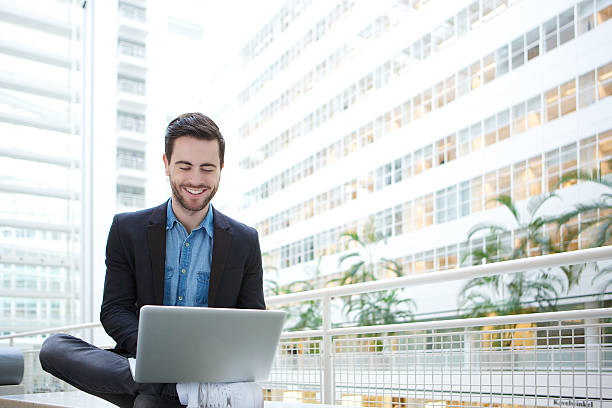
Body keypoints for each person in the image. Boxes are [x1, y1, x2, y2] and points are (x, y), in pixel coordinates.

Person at [39, 113, 266, 408]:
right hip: (143, 361)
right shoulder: (126, 229)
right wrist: (158, 357)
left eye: (207, 168)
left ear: (221, 169)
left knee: (148, 403)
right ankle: (179, 389)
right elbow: (115, 310)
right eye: (184, 167)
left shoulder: (244, 240)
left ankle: (169, 389)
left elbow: (251, 319)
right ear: (166, 165)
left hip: (211, 375)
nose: (196, 180)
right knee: (54, 349)